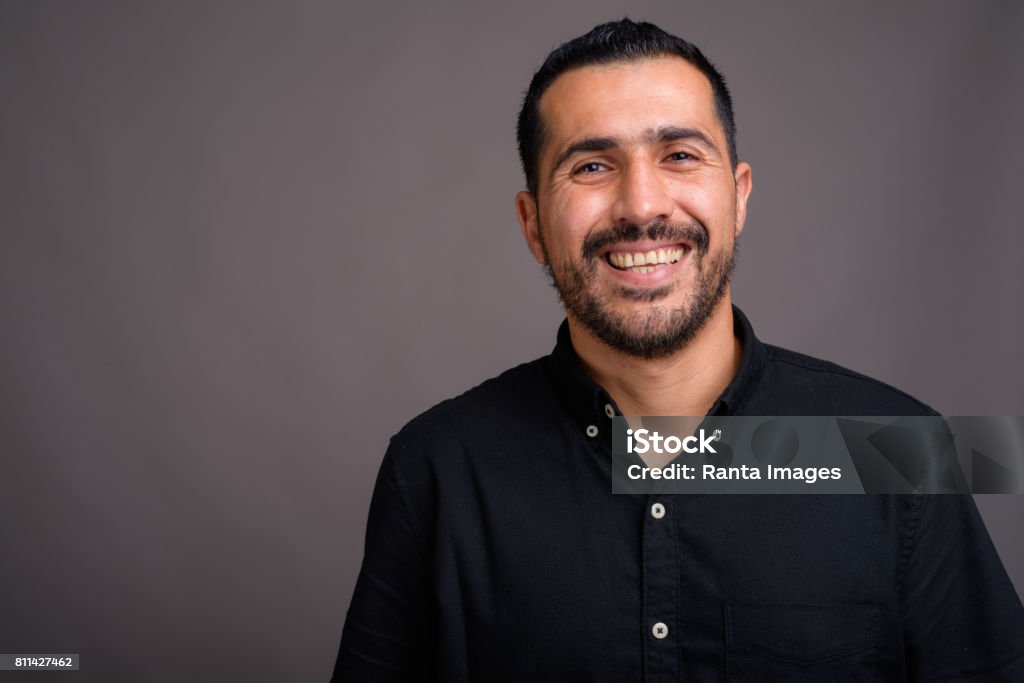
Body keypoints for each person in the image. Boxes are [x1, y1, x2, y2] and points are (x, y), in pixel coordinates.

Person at [332, 19, 1024, 682]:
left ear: (738, 196)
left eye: (680, 156)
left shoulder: (902, 450)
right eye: (593, 164)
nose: (641, 204)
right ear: (533, 224)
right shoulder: (435, 471)